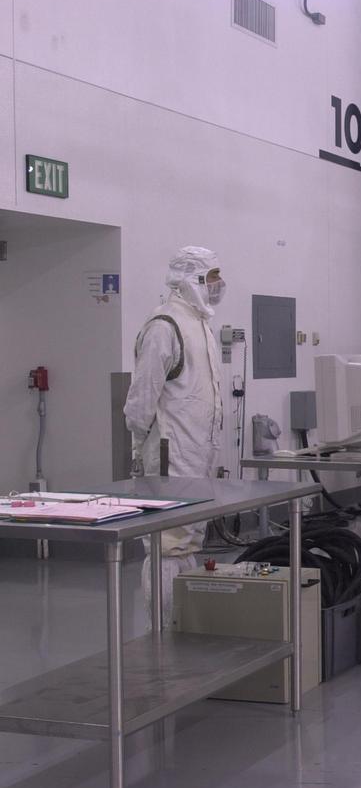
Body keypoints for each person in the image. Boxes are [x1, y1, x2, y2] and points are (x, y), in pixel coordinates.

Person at [123, 246, 225, 626]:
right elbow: (141, 398)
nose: (217, 285)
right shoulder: (164, 326)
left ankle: (184, 626)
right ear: (191, 279)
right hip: (170, 452)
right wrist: (143, 445)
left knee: (188, 539)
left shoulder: (199, 324)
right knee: (167, 541)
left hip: (196, 451)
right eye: (211, 276)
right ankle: (162, 633)